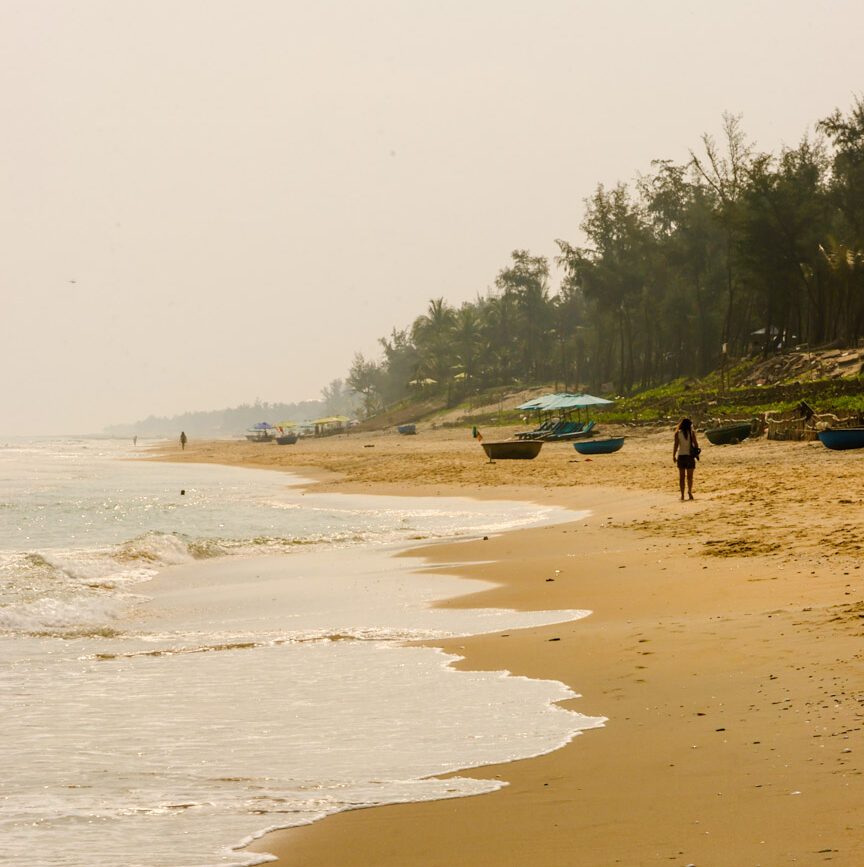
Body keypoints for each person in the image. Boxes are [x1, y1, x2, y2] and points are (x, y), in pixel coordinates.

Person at [672, 417, 699, 501]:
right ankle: (690, 492)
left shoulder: (678, 433)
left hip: (681, 456)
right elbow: (696, 445)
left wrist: (673, 455)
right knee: (690, 477)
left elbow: (676, 445)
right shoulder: (692, 433)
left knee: (682, 477)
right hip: (690, 457)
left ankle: (682, 495)